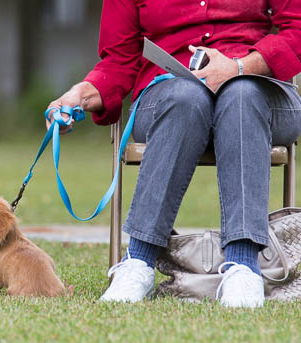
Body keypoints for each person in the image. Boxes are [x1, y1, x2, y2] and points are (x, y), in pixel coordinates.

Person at [47, 1, 301, 307]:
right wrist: (78, 96)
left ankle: (244, 267)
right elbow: (118, 62)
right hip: (170, 96)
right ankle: (138, 263)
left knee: (241, 93)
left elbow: (297, 30)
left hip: (259, 90)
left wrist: (240, 67)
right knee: (186, 96)